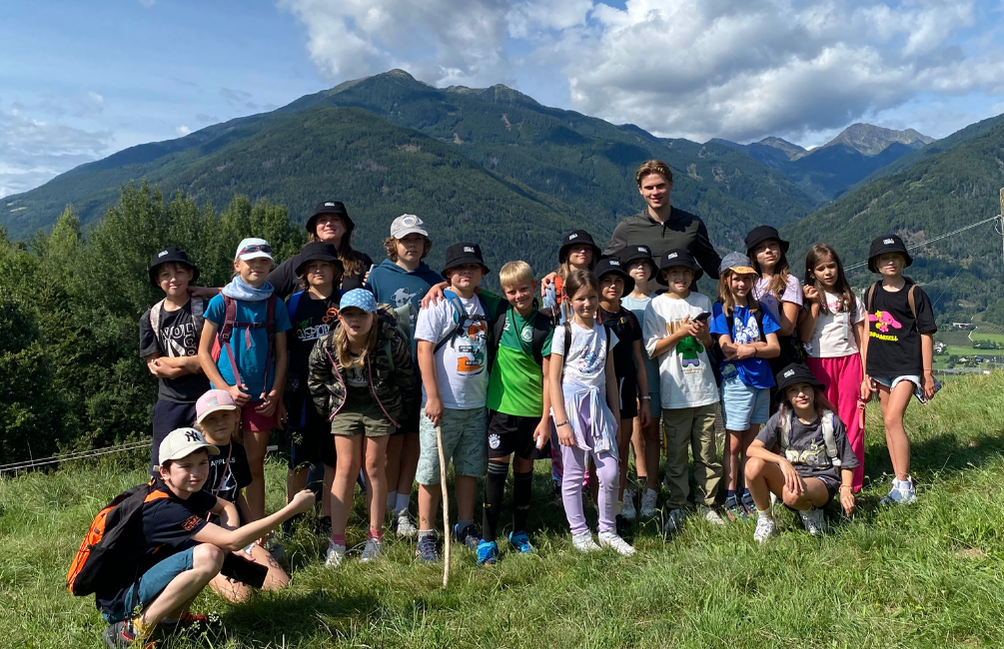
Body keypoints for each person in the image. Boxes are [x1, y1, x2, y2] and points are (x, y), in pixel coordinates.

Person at [94, 427, 314, 648]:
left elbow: (226, 506)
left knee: (213, 548)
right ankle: (131, 632)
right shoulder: (164, 509)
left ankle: (173, 622)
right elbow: (233, 540)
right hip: (121, 601)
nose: (197, 472)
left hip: (136, 584)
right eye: (186, 466)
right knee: (209, 555)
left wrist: (230, 541)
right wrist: (292, 509)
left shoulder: (184, 492)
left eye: (202, 463)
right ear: (164, 472)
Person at [307, 289, 417, 567]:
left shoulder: (390, 341)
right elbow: (316, 379)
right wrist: (329, 411)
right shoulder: (327, 344)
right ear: (340, 317)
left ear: (373, 317)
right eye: (349, 314)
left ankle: (375, 538)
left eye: (362, 314)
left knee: (374, 466)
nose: (355, 320)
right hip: (344, 406)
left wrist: (397, 413)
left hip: (380, 406)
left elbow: (407, 378)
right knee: (345, 467)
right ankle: (337, 541)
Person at [413, 243, 501, 562]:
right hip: (442, 406)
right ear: (448, 273)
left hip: (476, 404)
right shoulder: (436, 304)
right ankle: (426, 534)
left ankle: (465, 525)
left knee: (469, 468)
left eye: (473, 267)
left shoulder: (485, 303)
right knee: (431, 471)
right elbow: (424, 350)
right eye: (460, 267)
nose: (467, 272)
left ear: (481, 273)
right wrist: (433, 396)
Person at [198, 237, 291, 521]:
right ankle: (217, 524)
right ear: (237, 265)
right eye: (251, 261)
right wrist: (225, 389)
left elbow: (282, 355)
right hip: (223, 399)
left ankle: (258, 532)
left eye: (264, 261)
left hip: (262, 399)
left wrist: (275, 394)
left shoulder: (275, 305)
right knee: (217, 462)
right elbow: (203, 353)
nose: (257, 266)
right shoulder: (221, 302)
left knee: (254, 466)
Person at [366, 214, 443, 537]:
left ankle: (402, 508)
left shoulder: (434, 279)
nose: (412, 245)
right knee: (391, 445)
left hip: (424, 375)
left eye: (417, 240)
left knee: (415, 442)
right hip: (389, 376)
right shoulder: (378, 277)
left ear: (425, 245)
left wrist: (442, 285)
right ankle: (384, 506)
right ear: (393, 244)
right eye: (405, 240)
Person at [549, 270, 635, 556]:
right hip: (571, 407)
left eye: (592, 298)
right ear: (569, 300)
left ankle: (608, 530)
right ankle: (580, 532)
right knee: (573, 473)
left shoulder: (605, 332)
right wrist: (561, 422)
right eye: (581, 298)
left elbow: (610, 377)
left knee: (610, 472)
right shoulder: (563, 333)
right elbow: (553, 379)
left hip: (599, 408)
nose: (587, 304)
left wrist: (615, 416)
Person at [478, 261, 554, 565]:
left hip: (533, 413)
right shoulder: (499, 311)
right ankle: (487, 540)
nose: (518, 295)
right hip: (501, 411)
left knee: (524, 473)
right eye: (511, 291)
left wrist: (546, 419)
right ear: (503, 292)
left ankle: (519, 533)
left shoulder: (545, 325)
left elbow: (549, 377)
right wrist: (439, 286)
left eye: (524, 289)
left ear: (534, 286)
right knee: (495, 474)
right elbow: (467, 287)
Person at [643, 249, 723, 532]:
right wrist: (679, 333)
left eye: (686, 272)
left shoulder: (702, 301)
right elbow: (651, 348)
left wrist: (703, 335)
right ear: (665, 276)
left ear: (693, 275)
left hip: (704, 389)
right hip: (674, 392)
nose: (680, 277)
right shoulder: (656, 306)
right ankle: (678, 504)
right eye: (674, 272)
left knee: (707, 454)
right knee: (676, 455)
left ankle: (707, 504)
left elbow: (710, 345)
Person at [860, 234, 938, 505]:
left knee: (893, 420)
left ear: (904, 260)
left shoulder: (915, 294)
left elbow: (926, 333)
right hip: (880, 366)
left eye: (895, 256)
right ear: (876, 264)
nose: (890, 261)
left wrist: (926, 373)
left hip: (907, 366)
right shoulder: (871, 292)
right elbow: (868, 332)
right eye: (884, 258)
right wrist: (866, 371)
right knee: (888, 422)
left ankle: (905, 486)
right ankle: (898, 482)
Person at [192, 389, 290, 601]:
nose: (220, 422)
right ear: (200, 424)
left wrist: (254, 526)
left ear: (237, 415)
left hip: (237, 533)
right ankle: (210, 569)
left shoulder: (237, 450)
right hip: (207, 538)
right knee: (243, 599)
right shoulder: (195, 457)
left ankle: (240, 563)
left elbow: (237, 494)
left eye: (225, 415)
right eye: (211, 418)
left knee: (280, 586)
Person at [744, 364, 858, 543]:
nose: (801, 394)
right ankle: (766, 519)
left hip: (822, 481)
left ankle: (812, 512)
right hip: (790, 479)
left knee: (792, 494)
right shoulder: (781, 419)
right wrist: (781, 461)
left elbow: (847, 460)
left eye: (805, 387)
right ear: (787, 397)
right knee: (752, 465)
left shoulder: (830, 421)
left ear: (814, 390)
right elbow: (752, 449)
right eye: (793, 390)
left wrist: (846, 489)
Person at [710, 253, 780, 520]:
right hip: (736, 381)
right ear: (726, 280)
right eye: (736, 278)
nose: (741, 284)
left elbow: (775, 348)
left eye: (746, 278)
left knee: (752, 441)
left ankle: (748, 490)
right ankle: (731, 494)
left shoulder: (759, 309)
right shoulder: (722, 310)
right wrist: (759, 347)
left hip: (761, 381)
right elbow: (725, 347)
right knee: (734, 442)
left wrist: (750, 349)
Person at [799, 243, 867, 493]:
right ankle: (825, 477)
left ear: (839, 267)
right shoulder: (806, 299)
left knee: (852, 420)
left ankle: (853, 481)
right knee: (822, 420)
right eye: (821, 268)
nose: (828, 272)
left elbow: (862, 338)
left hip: (850, 361)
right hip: (818, 361)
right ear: (811, 272)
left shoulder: (851, 298)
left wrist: (866, 374)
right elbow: (804, 336)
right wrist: (814, 305)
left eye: (831, 266)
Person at [284, 241, 342, 528]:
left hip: (339, 394)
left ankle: (327, 516)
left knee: (333, 458)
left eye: (324, 265)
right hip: (302, 396)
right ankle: (292, 515)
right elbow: (283, 349)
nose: (319, 270)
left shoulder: (346, 301)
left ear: (335, 270)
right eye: (312, 266)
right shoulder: (293, 303)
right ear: (304, 273)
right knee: (299, 459)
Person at [541, 229, 601, 501]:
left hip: (590, 357)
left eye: (587, 248)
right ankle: (560, 480)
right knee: (560, 420)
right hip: (560, 351)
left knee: (589, 424)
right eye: (576, 248)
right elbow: (548, 318)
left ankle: (585, 481)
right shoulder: (552, 285)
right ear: (566, 254)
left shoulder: (597, 281)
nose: (582, 252)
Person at [139, 247, 210, 471]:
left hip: (205, 399)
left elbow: (210, 359)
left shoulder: (205, 309)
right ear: (157, 281)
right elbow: (154, 365)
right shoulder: (151, 317)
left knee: (207, 460)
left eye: (179, 272)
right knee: (163, 463)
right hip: (169, 401)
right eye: (165, 274)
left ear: (190, 274)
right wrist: (193, 363)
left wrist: (173, 365)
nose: (173, 279)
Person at [595, 258, 651, 528]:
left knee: (621, 446)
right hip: (597, 389)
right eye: (606, 281)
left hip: (626, 387)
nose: (613, 286)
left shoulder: (629, 318)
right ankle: (599, 507)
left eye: (618, 281)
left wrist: (646, 398)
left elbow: (638, 360)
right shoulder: (591, 316)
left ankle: (620, 499)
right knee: (597, 449)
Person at [603, 159, 721, 279]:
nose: (655, 192)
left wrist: (733, 270)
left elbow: (714, 266)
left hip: (684, 292)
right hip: (641, 292)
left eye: (660, 186)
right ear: (640, 190)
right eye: (649, 188)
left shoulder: (693, 225)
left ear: (671, 184)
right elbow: (605, 266)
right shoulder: (627, 229)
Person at [620, 244, 662, 521]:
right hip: (627, 376)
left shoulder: (659, 302)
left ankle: (651, 489)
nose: (640, 268)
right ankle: (625, 488)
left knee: (651, 432)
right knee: (626, 436)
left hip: (655, 374)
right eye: (634, 264)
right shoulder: (621, 304)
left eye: (645, 264)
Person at [745, 225, 805, 408]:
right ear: (753, 255)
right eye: (761, 248)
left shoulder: (789, 282)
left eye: (772, 245)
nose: (768, 251)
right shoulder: (747, 283)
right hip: (755, 355)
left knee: (780, 406)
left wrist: (754, 337)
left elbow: (787, 327)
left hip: (782, 354)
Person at [267, 201, 374, 298]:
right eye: (323, 220)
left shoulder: (361, 261)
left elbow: (376, 296)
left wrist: (373, 283)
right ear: (315, 228)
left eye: (335, 219)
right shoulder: (298, 262)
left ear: (345, 227)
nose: (329, 223)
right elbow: (266, 290)